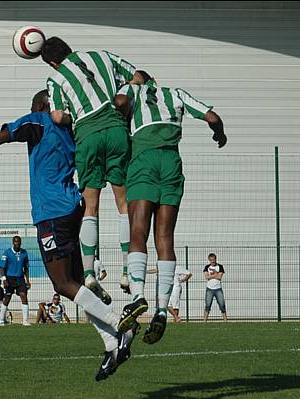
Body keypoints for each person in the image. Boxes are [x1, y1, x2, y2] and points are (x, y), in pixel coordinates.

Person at [0, 90, 139, 381]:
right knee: (77, 282)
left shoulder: (38, 121)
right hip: (73, 206)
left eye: (34, 106)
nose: (32, 110)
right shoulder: (71, 129)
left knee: (62, 283)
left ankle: (120, 323)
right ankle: (112, 345)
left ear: (43, 106)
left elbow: (3, 136)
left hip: (51, 213)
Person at [113, 78, 227, 343]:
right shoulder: (175, 93)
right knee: (164, 238)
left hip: (144, 159)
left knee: (137, 233)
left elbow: (120, 102)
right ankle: (162, 310)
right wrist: (219, 134)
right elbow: (212, 117)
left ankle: (137, 296)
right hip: (171, 163)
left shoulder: (134, 90)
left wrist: (124, 110)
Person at [42, 37, 151, 299]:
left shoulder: (56, 79)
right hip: (116, 129)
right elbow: (138, 77)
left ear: (53, 62)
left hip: (88, 135)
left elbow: (57, 117)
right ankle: (127, 270)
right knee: (124, 203)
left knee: (91, 206)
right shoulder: (102, 56)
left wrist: (75, 115)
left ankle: (89, 273)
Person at [0, 235, 32, 326]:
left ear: (20, 242)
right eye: (16, 241)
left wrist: (27, 281)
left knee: (24, 296)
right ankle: (1, 320)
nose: (17, 243)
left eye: (19, 241)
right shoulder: (7, 253)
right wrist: (4, 279)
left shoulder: (24, 253)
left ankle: (25, 321)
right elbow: (2, 268)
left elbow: (26, 268)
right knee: (7, 298)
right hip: (9, 278)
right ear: (13, 242)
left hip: (20, 278)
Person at [203, 253, 227, 322]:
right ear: (209, 260)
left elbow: (220, 277)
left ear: (215, 259)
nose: (212, 261)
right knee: (208, 305)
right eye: (211, 260)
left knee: (222, 304)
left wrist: (211, 276)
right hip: (209, 289)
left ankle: (225, 320)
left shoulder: (220, 266)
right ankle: (204, 321)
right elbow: (206, 277)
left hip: (218, 289)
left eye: (213, 259)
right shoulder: (206, 267)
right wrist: (216, 274)